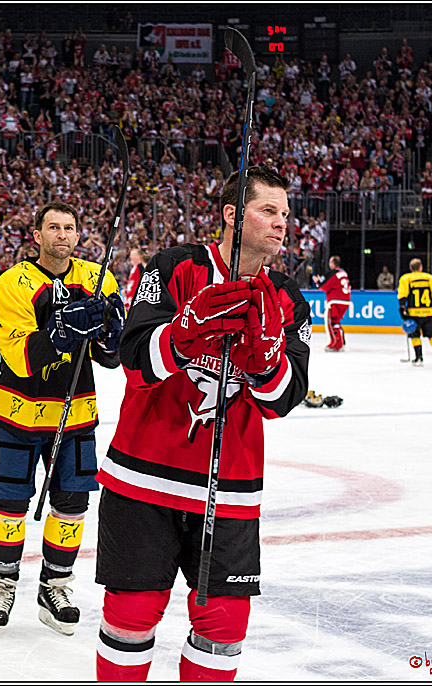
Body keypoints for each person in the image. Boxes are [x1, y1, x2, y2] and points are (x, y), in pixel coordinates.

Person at [94, 167, 310, 681]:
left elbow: (284, 399)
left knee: (224, 625)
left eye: (285, 214)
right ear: (232, 213)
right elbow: (133, 357)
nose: (282, 223)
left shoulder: (287, 296)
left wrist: (263, 362)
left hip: (231, 487)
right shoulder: (174, 265)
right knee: (131, 615)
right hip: (144, 474)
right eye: (268, 211)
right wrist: (183, 333)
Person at [0, 201, 124, 636]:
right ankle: (3, 584)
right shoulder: (13, 283)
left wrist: (111, 332)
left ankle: (55, 586)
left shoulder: (97, 278)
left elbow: (110, 358)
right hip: (17, 413)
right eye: (53, 227)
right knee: (8, 504)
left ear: (78, 235)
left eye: (69, 227)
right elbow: (22, 357)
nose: (62, 234)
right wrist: (63, 327)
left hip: (76, 411)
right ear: (37, 235)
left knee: (72, 505)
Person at [397, 258, 432, 366]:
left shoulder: (406, 278)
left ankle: (419, 358)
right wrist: (431, 306)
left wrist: (403, 308)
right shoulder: (429, 278)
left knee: (415, 336)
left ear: (410, 268)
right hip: (428, 313)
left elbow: (402, 295)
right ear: (421, 267)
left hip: (413, 314)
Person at [320, 255, 351, 351]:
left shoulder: (333, 273)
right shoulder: (343, 273)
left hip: (335, 300)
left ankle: (335, 344)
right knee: (336, 322)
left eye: (330, 262)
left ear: (333, 264)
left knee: (330, 322)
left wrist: (318, 283)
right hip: (346, 300)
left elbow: (324, 287)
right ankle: (341, 342)